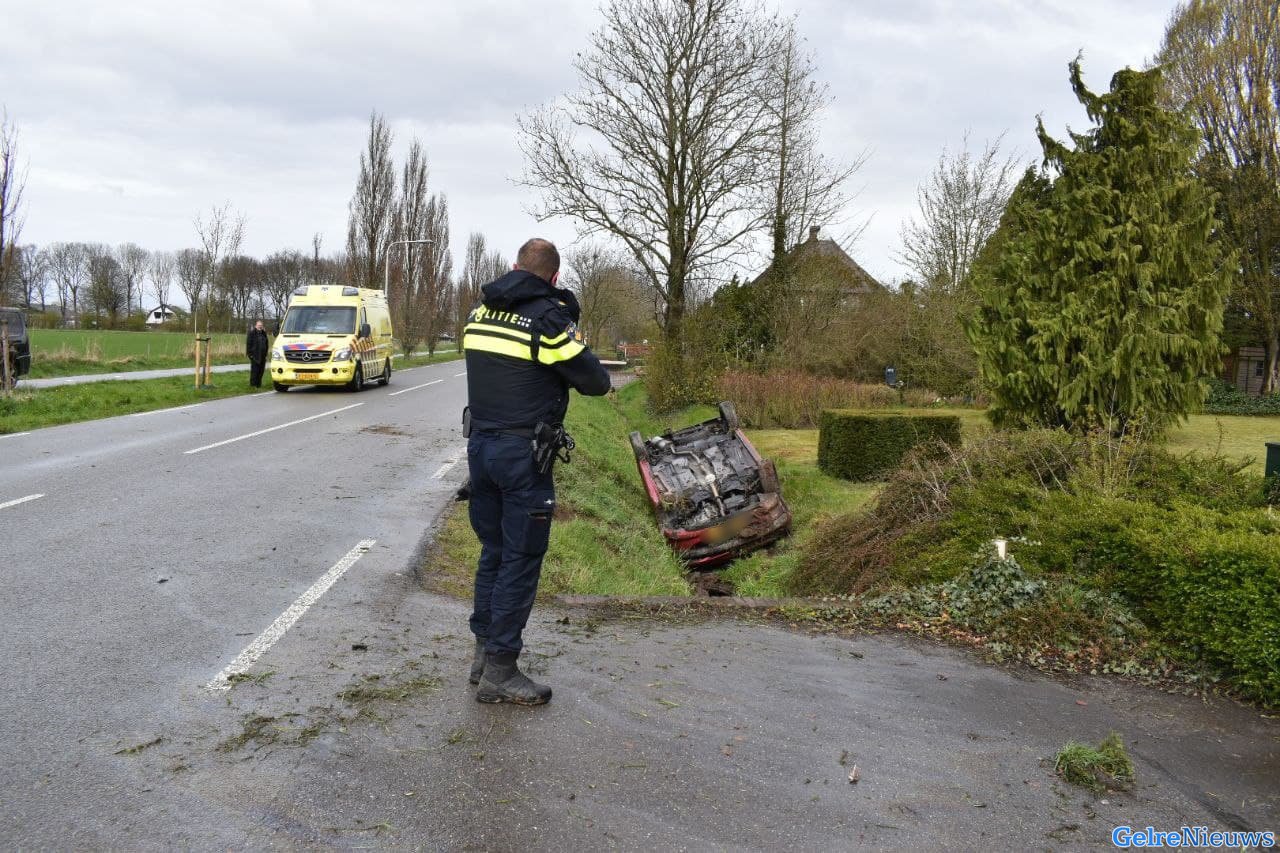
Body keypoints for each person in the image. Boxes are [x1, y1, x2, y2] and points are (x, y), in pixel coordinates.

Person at [462, 238, 611, 706]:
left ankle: (483, 656)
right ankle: (501, 672)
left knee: (494, 551)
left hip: (480, 449)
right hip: (522, 456)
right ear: (553, 278)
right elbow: (594, 381)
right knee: (521, 560)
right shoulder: (547, 323)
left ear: (514, 267)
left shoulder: (479, 315)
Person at [245, 320, 269, 388]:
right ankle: (253, 385)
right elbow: (248, 344)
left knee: (261, 371)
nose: (260, 327)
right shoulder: (252, 333)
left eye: (261, 326)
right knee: (254, 371)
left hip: (263, 356)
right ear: (256, 326)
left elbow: (266, 344)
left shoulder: (264, 333)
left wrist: (266, 354)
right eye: (259, 326)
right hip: (255, 356)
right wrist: (250, 355)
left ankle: (259, 385)